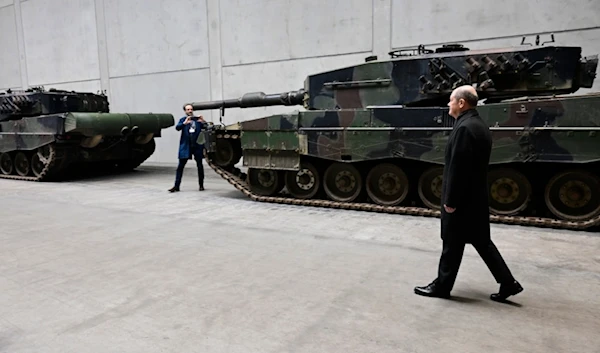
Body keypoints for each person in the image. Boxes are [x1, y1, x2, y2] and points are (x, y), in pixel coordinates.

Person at [414, 85, 523, 302]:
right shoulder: (478, 124)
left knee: (451, 243)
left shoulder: (464, 128)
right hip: (476, 198)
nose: (448, 104)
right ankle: (508, 283)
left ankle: (442, 286)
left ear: (461, 103)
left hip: (462, 201)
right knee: (482, 242)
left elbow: (458, 168)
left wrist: (451, 201)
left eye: (451, 100)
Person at [168, 104, 207, 192]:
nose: (190, 111)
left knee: (200, 166)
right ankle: (176, 186)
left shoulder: (197, 120)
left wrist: (203, 121)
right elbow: (177, 128)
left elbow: (207, 127)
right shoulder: (183, 119)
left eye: (191, 109)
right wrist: (184, 123)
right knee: (180, 166)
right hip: (186, 145)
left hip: (197, 145)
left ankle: (201, 185)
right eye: (188, 109)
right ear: (185, 111)